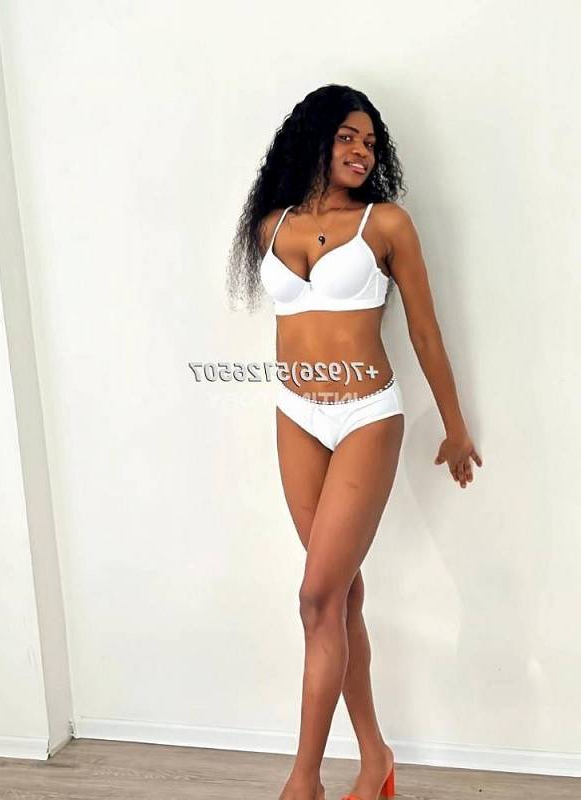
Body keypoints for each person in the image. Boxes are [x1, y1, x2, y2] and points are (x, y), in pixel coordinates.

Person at [226, 83, 482, 800]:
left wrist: (455, 427)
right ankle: (376, 760)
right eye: (346, 136)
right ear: (312, 138)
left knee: (316, 597)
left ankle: (302, 781)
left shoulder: (386, 223)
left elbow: (424, 329)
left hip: (366, 414)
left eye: (370, 142)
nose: (361, 151)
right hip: (295, 415)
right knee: (338, 596)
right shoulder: (270, 225)